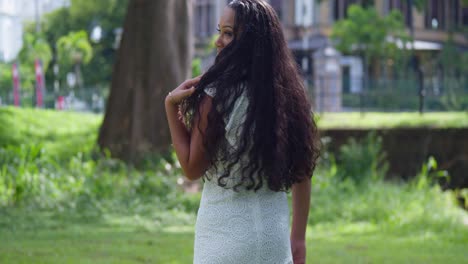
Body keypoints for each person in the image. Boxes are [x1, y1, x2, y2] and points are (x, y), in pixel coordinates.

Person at [165, 0, 320, 263]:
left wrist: (171, 106)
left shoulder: (217, 96)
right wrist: (298, 240)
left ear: (249, 40)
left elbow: (192, 168)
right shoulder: (288, 98)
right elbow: (302, 171)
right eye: (219, 31)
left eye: (228, 33)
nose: (218, 41)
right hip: (274, 240)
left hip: (224, 240)